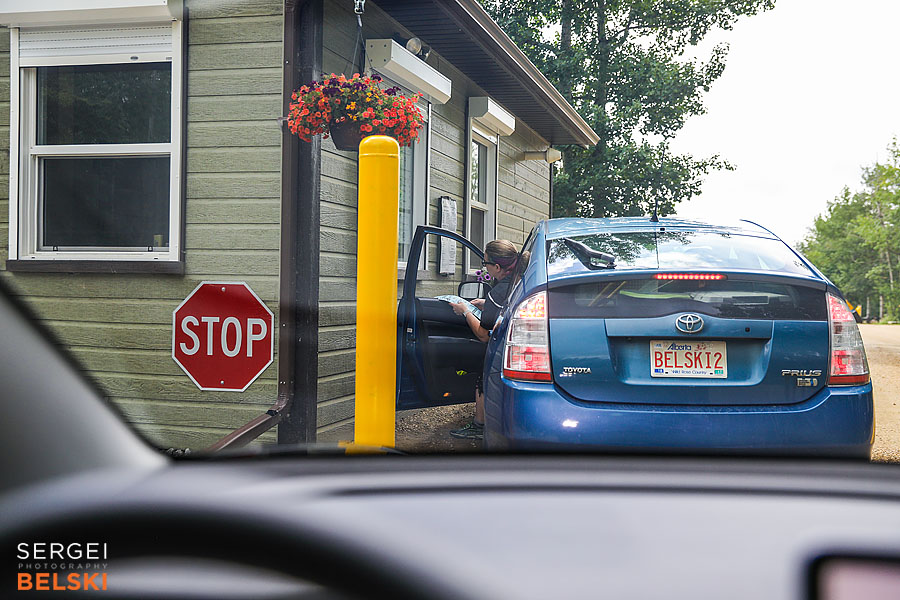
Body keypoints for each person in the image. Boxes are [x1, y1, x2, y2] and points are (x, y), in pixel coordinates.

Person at [448, 239, 520, 440]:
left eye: (485, 263)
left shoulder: (498, 291)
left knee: (482, 371)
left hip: (500, 347)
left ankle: (480, 426)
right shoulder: (519, 279)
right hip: (514, 343)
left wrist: (464, 311)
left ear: (497, 267)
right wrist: (485, 304)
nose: (485, 267)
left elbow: (482, 335)